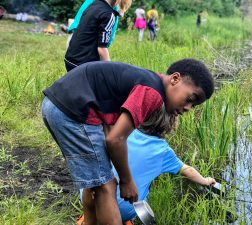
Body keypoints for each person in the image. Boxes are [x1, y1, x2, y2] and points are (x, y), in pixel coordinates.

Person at [41, 58, 214, 225]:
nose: (187, 108)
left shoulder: (147, 81)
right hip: (72, 113)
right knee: (106, 186)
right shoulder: (152, 93)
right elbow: (115, 139)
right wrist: (127, 181)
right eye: (190, 99)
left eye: (194, 106)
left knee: (98, 181)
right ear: (175, 79)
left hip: (56, 105)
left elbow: (109, 127)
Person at [78, 112, 216, 224]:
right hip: (123, 209)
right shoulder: (163, 151)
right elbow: (188, 170)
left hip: (89, 193)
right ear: (171, 125)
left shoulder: (122, 132)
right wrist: (205, 180)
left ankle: (91, 218)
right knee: (136, 195)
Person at [64, 0, 132, 72]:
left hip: (69, 60)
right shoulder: (108, 14)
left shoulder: (93, 4)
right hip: (82, 66)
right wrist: (111, 71)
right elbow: (102, 49)